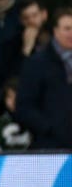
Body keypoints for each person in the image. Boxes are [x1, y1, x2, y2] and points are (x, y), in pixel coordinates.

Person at [15, 8, 72, 149]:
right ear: (55, 30)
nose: (71, 33)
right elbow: (24, 106)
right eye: (67, 28)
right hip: (49, 147)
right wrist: (49, 128)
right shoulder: (37, 63)